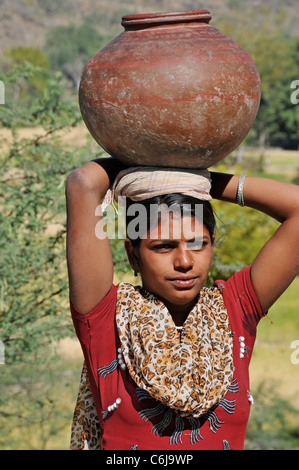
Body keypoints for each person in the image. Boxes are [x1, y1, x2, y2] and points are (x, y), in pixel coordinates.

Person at [66, 157, 299, 450]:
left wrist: (199, 181)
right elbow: (83, 183)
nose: (185, 262)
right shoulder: (106, 319)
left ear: (212, 244)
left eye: (197, 243)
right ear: (133, 255)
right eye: (163, 246)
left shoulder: (235, 309)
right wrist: (152, 170)